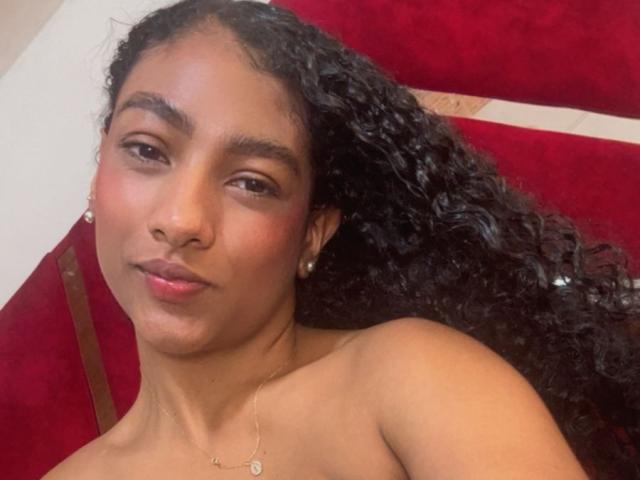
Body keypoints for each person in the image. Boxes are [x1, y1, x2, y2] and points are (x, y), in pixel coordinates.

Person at [43, 0, 639, 478]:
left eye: (252, 183)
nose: (180, 220)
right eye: (147, 150)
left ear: (312, 234)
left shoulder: (408, 379)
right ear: (98, 171)